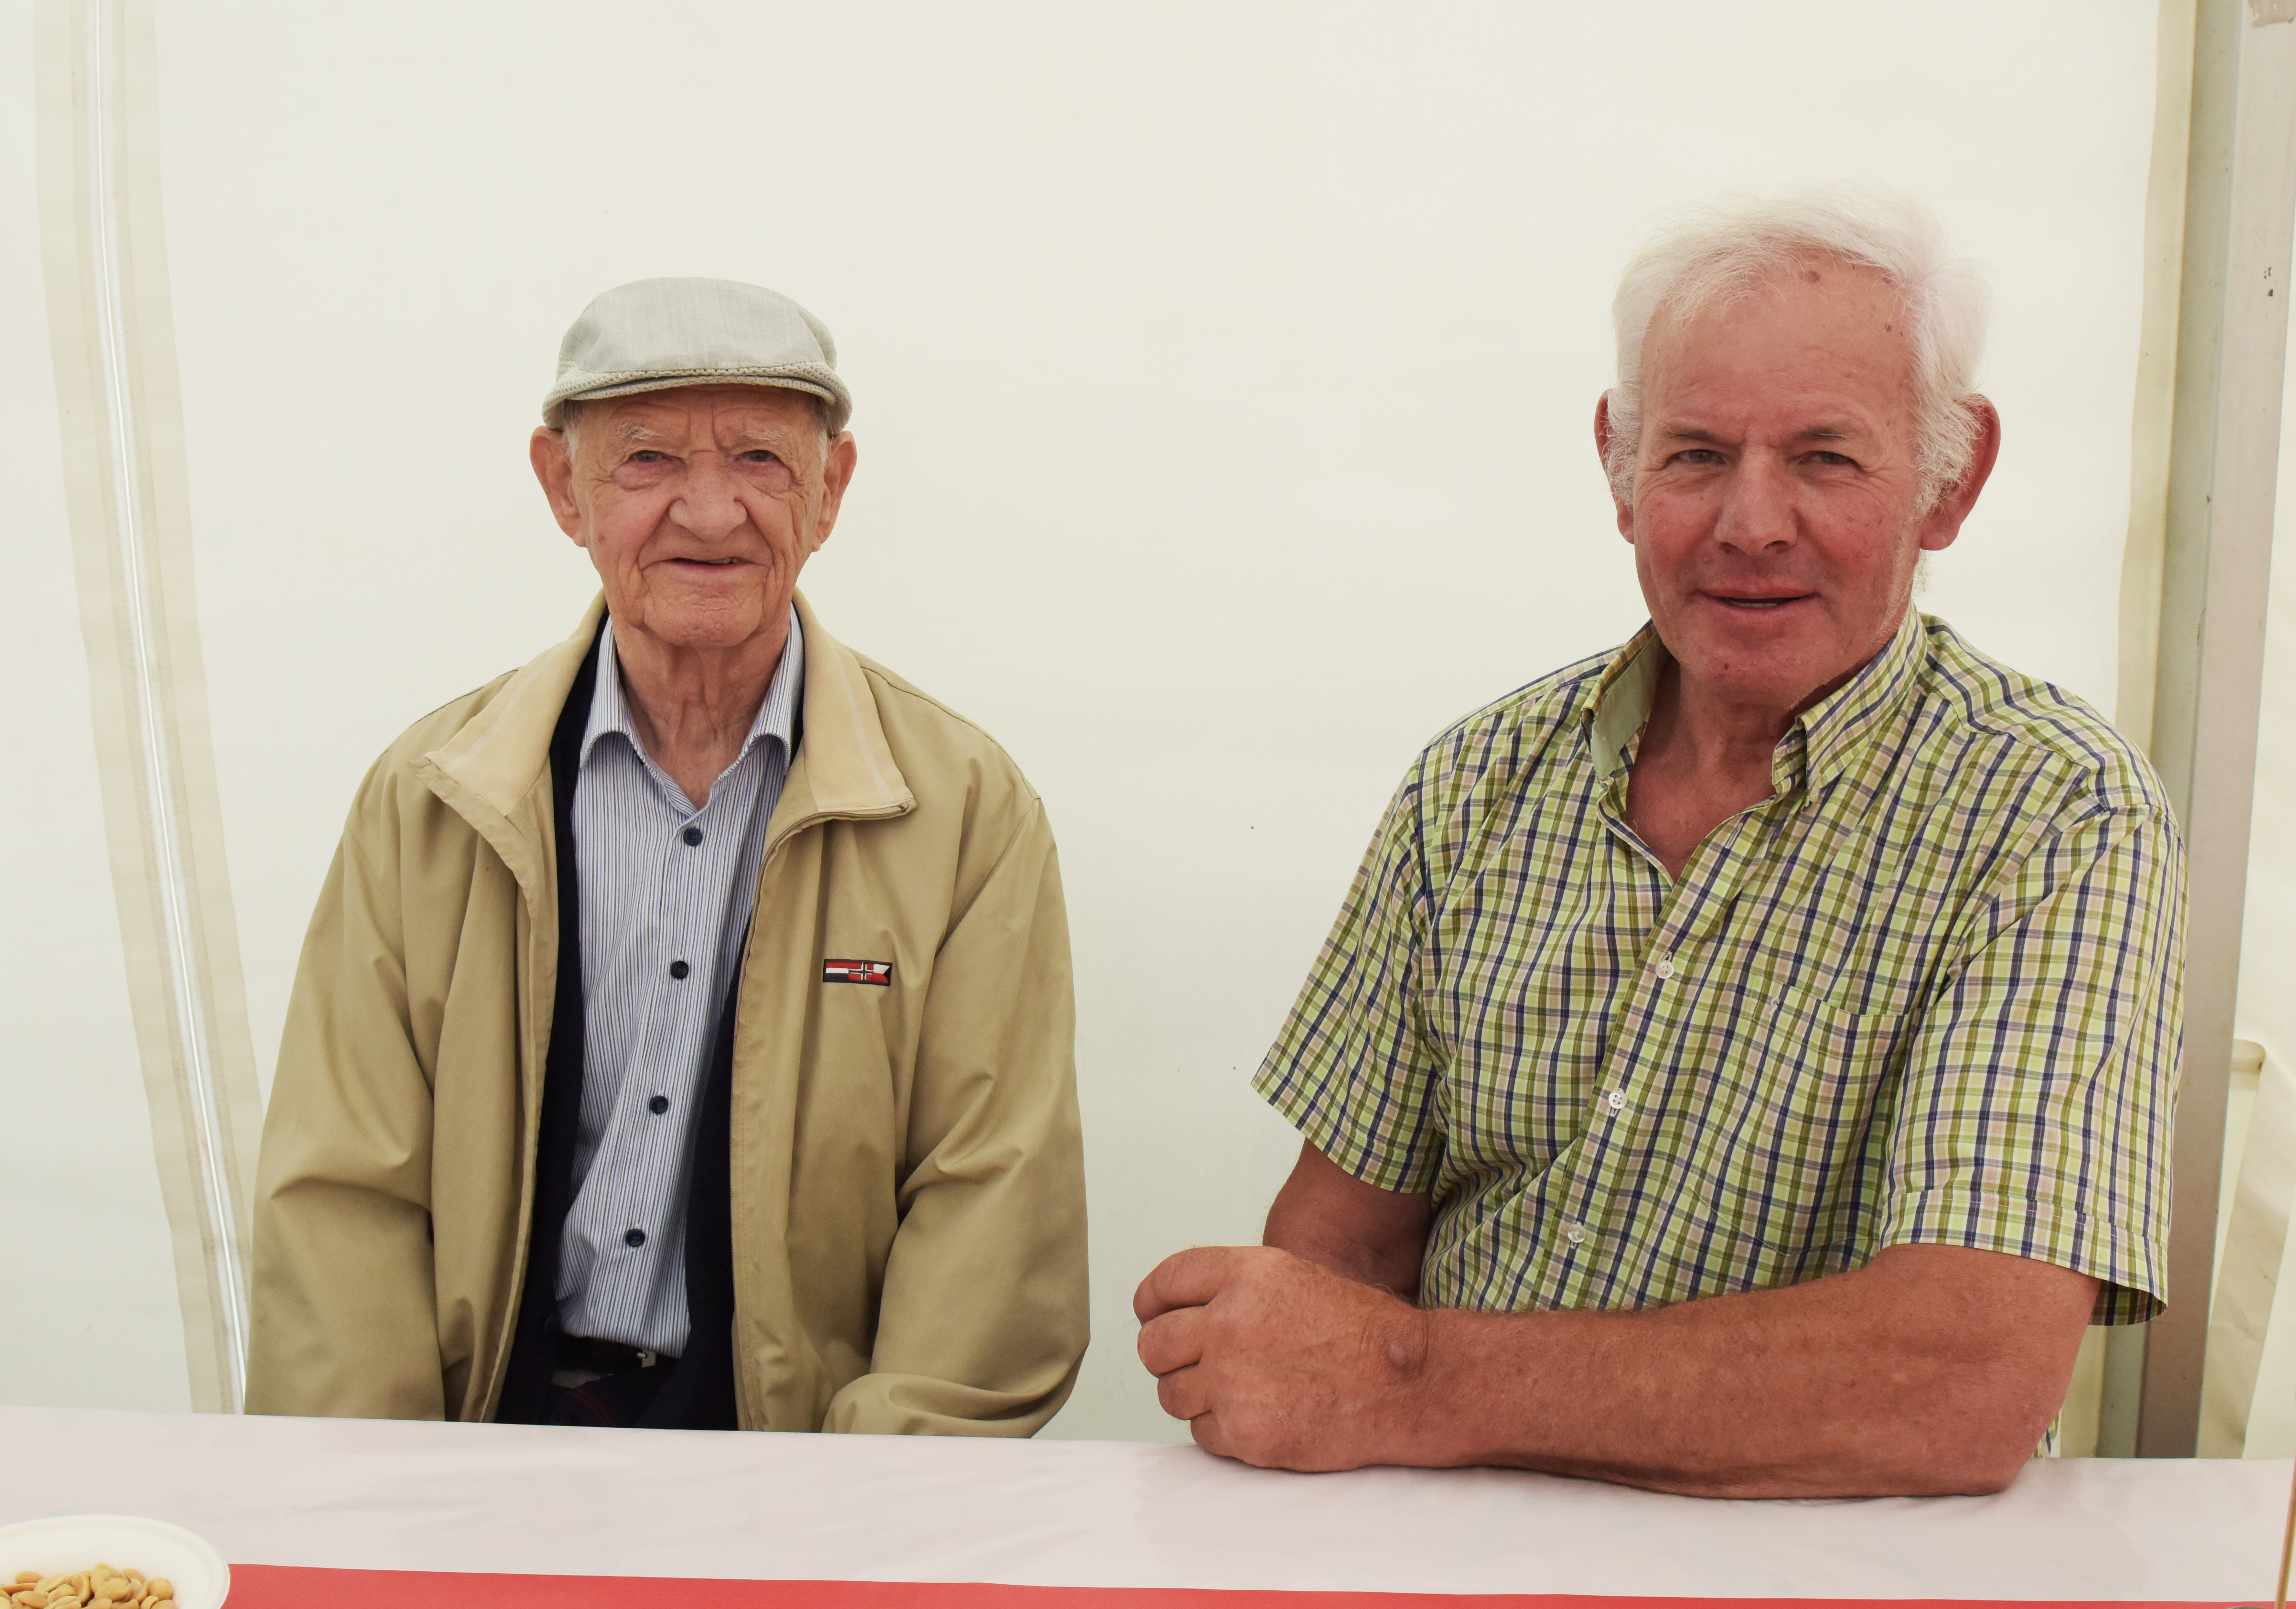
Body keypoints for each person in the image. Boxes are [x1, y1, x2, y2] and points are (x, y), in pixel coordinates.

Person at [1134, 191, 2183, 1497]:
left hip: (1824, 1567)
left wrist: (1408, 1379)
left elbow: (1959, 1380)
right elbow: (1336, 1255)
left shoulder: (2054, 812)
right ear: (1618, 470)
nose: (1752, 522)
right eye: (1695, 455)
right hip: (1448, 1548)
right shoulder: (1477, 782)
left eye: (1824, 458)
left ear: (1950, 480)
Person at [249, 278, 1087, 1435]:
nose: (709, 512)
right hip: (487, 1442)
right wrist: (391, 1495)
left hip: (813, 1464)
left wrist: (867, 1504)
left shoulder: (963, 814)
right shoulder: (431, 801)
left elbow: (990, 1200)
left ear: (830, 489)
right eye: (647, 460)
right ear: (564, 487)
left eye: (759, 458)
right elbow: (344, 1196)